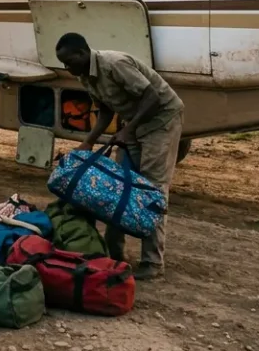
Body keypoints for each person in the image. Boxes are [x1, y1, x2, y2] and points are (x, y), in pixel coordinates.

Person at [54, 32, 184, 281]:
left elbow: (153, 98)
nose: (67, 68)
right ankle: (115, 253)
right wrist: (88, 142)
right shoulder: (86, 76)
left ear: (83, 53)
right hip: (135, 124)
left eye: (69, 62)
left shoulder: (114, 64)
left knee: (152, 190)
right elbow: (104, 112)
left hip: (161, 121)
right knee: (118, 185)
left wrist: (128, 129)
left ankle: (153, 263)